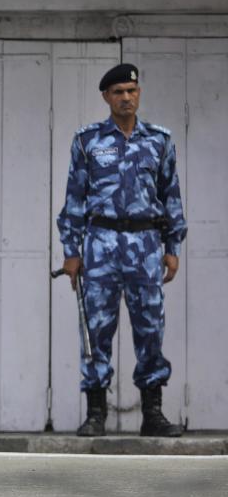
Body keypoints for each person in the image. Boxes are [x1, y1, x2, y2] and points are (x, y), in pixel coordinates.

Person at [57, 63, 187, 438]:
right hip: (100, 246)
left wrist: (172, 246)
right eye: (118, 92)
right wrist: (72, 251)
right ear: (106, 97)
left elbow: (171, 195)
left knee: (150, 328)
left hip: (146, 246)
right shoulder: (88, 141)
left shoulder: (159, 141)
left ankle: (153, 413)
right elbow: (74, 199)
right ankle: (96, 412)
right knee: (96, 330)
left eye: (131, 90)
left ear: (139, 93)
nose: (126, 98)